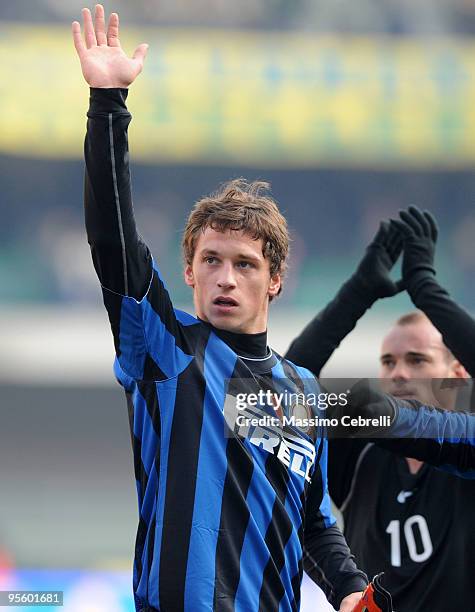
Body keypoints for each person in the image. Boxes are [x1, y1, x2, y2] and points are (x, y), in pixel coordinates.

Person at [72, 5, 368, 611]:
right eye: (210, 261)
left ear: (276, 280)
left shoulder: (305, 392)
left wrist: (350, 590)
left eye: (245, 264)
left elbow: (313, 524)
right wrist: (109, 104)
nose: (225, 278)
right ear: (188, 272)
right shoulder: (169, 350)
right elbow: (113, 244)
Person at [286, 206, 475, 611]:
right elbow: (278, 399)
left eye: (418, 360)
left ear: (458, 373)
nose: (399, 373)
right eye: (388, 362)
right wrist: (357, 292)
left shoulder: (469, 448)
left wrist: (426, 287)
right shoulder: (359, 451)